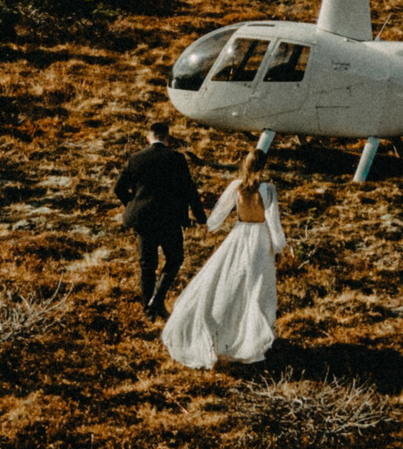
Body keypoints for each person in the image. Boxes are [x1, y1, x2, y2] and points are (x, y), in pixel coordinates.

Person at [162, 148, 286, 370]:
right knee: (256, 288)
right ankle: (251, 335)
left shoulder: (236, 187)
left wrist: (208, 226)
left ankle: (228, 330)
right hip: (259, 240)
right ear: (264, 166)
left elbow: (220, 212)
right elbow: (273, 222)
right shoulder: (268, 190)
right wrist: (278, 247)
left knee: (230, 282)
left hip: (239, 236)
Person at [114, 122, 205, 324]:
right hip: (169, 219)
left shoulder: (135, 159)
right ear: (167, 138)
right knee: (175, 259)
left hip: (144, 219)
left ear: (149, 138)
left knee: (147, 265)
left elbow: (118, 189)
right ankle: (157, 300)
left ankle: (150, 310)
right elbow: (190, 191)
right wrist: (201, 218)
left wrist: (133, 204)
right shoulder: (176, 159)